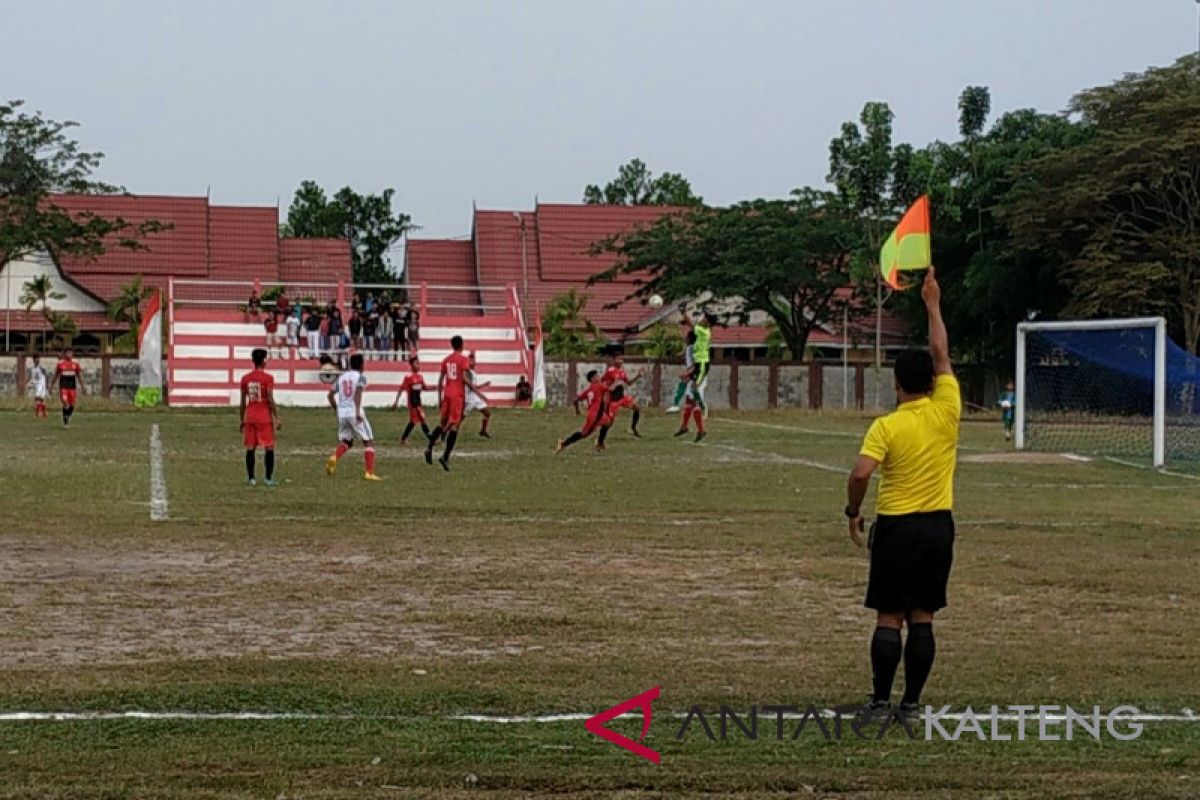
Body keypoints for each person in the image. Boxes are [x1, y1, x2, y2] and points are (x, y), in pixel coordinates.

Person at [844, 267, 959, 718]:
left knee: (889, 617)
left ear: (896, 384)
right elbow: (941, 353)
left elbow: (860, 473)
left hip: (895, 527)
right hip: (937, 526)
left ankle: (878, 701)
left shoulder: (886, 426)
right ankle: (911, 704)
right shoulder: (947, 408)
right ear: (932, 381)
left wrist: (853, 509)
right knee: (922, 616)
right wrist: (932, 303)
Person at [424, 335, 482, 471]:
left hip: (447, 393)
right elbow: (463, 378)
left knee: (442, 422)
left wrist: (439, 397)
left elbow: (440, 380)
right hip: (457, 395)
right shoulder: (463, 360)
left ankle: (429, 448)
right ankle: (445, 456)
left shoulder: (446, 360)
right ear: (461, 345)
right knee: (455, 425)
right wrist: (475, 389)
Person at [325, 353, 382, 481]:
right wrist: (357, 412)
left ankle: (334, 457)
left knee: (347, 441)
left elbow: (329, 395)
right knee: (369, 441)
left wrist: (337, 410)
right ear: (362, 365)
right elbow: (357, 394)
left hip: (343, 413)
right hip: (354, 412)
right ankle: (369, 472)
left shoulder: (341, 377)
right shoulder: (361, 378)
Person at [239, 347, 281, 487]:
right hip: (264, 417)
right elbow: (269, 398)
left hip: (250, 416)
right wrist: (277, 416)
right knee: (269, 447)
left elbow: (242, 402)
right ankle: (268, 478)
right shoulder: (268, 378)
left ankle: (251, 478)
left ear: (252, 361)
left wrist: (242, 419)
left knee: (250, 447)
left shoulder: (245, 378)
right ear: (264, 361)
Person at [555, 370, 608, 453]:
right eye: (597, 376)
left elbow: (575, 399)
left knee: (607, 422)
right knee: (583, 434)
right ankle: (563, 444)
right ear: (592, 379)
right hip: (595, 415)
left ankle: (600, 443)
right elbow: (611, 389)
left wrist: (577, 411)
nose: (599, 377)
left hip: (596, 414)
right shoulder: (599, 385)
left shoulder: (589, 390)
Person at [392, 356, 432, 445]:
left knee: (417, 421)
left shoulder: (420, 377)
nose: (418, 365)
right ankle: (431, 438)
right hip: (412, 403)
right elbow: (401, 389)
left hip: (418, 402)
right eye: (416, 363)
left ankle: (403, 439)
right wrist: (396, 401)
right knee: (420, 420)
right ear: (411, 365)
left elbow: (425, 387)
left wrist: (435, 388)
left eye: (419, 363)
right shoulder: (408, 377)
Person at [601, 353, 642, 436]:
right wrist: (606, 390)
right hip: (612, 400)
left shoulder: (622, 371)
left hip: (622, 398)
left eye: (621, 359)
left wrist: (638, 376)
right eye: (618, 359)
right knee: (609, 423)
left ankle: (633, 428)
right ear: (614, 360)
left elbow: (629, 383)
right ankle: (600, 437)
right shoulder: (610, 370)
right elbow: (602, 381)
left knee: (636, 408)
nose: (620, 361)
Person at [48, 348, 85, 428]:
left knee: (72, 405)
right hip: (63, 386)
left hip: (72, 387)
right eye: (68, 353)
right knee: (65, 403)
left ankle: (67, 416)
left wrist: (82, 387)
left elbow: (79, 376)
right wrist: (51, 386)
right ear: (65, 354)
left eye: (71, 353)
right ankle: (66, 421)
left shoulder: (75, 364)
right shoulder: (60, 364)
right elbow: (56, 375)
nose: (70, 354)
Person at [666, 315, 695, 414]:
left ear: (690, 339)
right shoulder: (688, 348)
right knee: (686, 388)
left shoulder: (693, 348)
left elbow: (695, 362)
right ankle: (677, 404)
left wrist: (688, 372)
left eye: (686, 337)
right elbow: (681, 354)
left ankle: (676, 405)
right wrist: (671, 354)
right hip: (690, 370)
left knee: (688, 389)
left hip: (693, 370)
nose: (684, 339)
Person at [595, 384, 638, 451]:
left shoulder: (621, 398)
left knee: (608, 424)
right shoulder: (607, 395)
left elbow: (633, 405)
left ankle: (600, 443)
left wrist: (633, 406)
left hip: (610, 412)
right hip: (602, 412)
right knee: (606, 423)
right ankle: (599, 443)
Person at [464, 351, 494, 438]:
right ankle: (449, 431)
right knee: (460, 419)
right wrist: (483, 388)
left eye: (474, 360)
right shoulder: (468, 372)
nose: (474, 362)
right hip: (469, 399)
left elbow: (474, 387)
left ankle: (483, 431)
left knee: (487, 413)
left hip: (475, 398)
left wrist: (483, 385)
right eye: (471, 360)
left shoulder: (473, 372)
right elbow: (471, 388)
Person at [691, 312, 715, 415]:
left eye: (704, 319)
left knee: (695, 387)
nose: (702, 320)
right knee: (693, 387)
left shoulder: (704, 332)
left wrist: (683, 313)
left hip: (702, 364)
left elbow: (691, 325)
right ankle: (700, 407)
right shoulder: (705, 330)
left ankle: (702, 408)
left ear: (708, 323)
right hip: (698, 362)